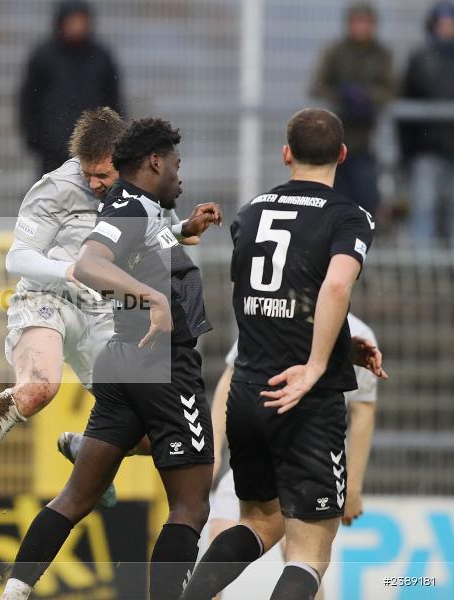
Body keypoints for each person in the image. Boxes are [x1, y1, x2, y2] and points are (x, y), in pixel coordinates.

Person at [0, 108, 202, 526]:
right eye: (88, 173)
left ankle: (84, 446)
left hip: (104, 313)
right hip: (48, 299)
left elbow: (150, 240)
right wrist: (69, 270)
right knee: (39, 388)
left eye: (103, 175)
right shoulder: (56, 188)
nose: (95, 183)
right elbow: (18, 257)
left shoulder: (143, 191)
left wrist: (183, 228)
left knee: (154, 431)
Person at [0, 118, 223, 600]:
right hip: (162, 364)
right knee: (189, 506)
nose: (181, 178)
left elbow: (137, 248)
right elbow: (90, 263)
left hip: (122, 360)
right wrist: (155, 299)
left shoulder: (133, 203)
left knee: (77, 496)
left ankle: (13, 592)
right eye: (177, 166)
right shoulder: (131, 206)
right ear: (155, 161)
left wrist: (185, 229)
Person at [179, 108, 376, 600]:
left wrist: (341, 350)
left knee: (259, 522)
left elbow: (275, 300)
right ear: (343, 155)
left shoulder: (249, 212)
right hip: (305, 401)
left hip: (248, 390)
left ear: (286, 153)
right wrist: (315, 367)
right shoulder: (350, 216)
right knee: (311, 551)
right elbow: (332, 287)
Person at [206, 314, 386, 599]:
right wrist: (213, 448)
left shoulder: (359, 332)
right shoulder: (268, 311)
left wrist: (353, 487)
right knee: (303, 557)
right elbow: (232, 376)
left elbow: (363, 412)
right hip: (280, 447)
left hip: (309, 455)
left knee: (295, 552)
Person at [310, 2, 395, 215]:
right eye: (357, 22)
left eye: (366, 22)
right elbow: (318, 87)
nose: (361, 27)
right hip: (335, 138)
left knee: (366, 198)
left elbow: (391, 89)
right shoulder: (336, 52)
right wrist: (342, 97)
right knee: (333, 197)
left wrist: (368, 97)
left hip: (366, 139)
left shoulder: (381, 54)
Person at [18, 1, 122, 176]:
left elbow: (113, 100)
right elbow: (28, 101)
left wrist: (113, 138)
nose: (77, 27)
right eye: (72, 21)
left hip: (93, 150)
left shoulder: (101, 57)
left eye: (81, 21)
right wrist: (36, 139)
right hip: (52, 150)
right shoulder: (44, 55)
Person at [401, 1, 454, 247]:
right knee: (423, 209)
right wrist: (408, 151)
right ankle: (421, 269)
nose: (447, 28)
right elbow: (407, 104)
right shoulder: (420, 59)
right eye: (443, 23)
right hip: (427, 148)